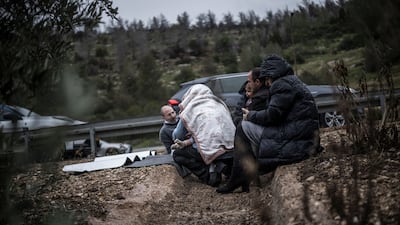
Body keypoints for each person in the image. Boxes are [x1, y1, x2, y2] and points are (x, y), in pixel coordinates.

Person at [217, 54, 321, 194]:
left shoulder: (281, 85)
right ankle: (244, 174)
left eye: (266, 78)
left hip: (296, 143)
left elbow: (272, 115)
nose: (266, 83)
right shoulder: (292, 81)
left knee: (243, 127)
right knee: (247, 129)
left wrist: (250, 115)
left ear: (271, 74)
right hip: (301, 138)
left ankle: (239, 176)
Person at [172, 84, 236, 187]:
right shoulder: (219, 104)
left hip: (210, 150)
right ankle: (225, 169)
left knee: (178, 154)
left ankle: (207, 174)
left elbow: (177, 136)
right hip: (232, 148)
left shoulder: (189, 110)